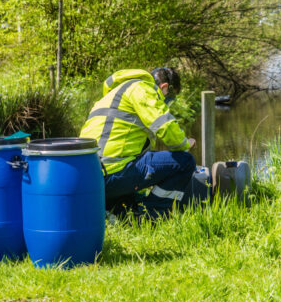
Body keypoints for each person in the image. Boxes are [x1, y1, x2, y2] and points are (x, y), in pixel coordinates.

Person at [79, 67, 196, 218]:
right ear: (164, 87)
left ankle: (118, 211)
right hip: (114, 172)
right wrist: (186, 144)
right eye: (171, 96)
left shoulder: (112, 95)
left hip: (91, 175)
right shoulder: (142, 89)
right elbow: (165, 127)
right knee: (184, 162)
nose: (168, 101)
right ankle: (152, 217)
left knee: (128, 209)